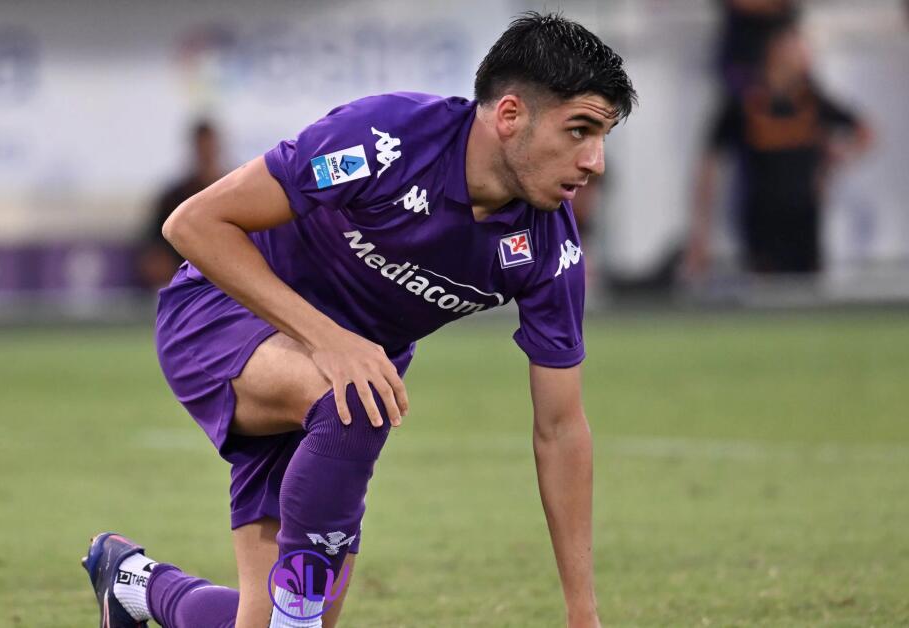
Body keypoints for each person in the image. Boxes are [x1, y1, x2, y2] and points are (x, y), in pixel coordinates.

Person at [83, 12, 635, 628]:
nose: (596, 162)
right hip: (222, 314)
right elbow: (192, 225)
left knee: (274, 618)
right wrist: (331, 341)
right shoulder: (386, 139)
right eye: (580, 130)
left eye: (603, 137)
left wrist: (583, 613)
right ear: (510, 116)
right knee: (357, 400)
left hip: (343, 378)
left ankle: (133, 582)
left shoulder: (548, 248)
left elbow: (560, 430)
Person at [686, 23, 872, 277]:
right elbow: (710, 164)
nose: (805, 54)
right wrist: (701, 234)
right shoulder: (744, 103)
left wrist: (836, 159)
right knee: (767, 296)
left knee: (808, 293)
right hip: (761, 220)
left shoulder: (811, 99)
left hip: (805, 218)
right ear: (775, 51)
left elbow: (864, 132)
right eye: (796, 47)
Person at [137, 120, 225, 291]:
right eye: (202, 146)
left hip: (228, 284)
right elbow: (153, 254)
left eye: (210, 146)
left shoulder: (232, 192)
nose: (206, 152)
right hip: (182, 284)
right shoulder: (172, 197)